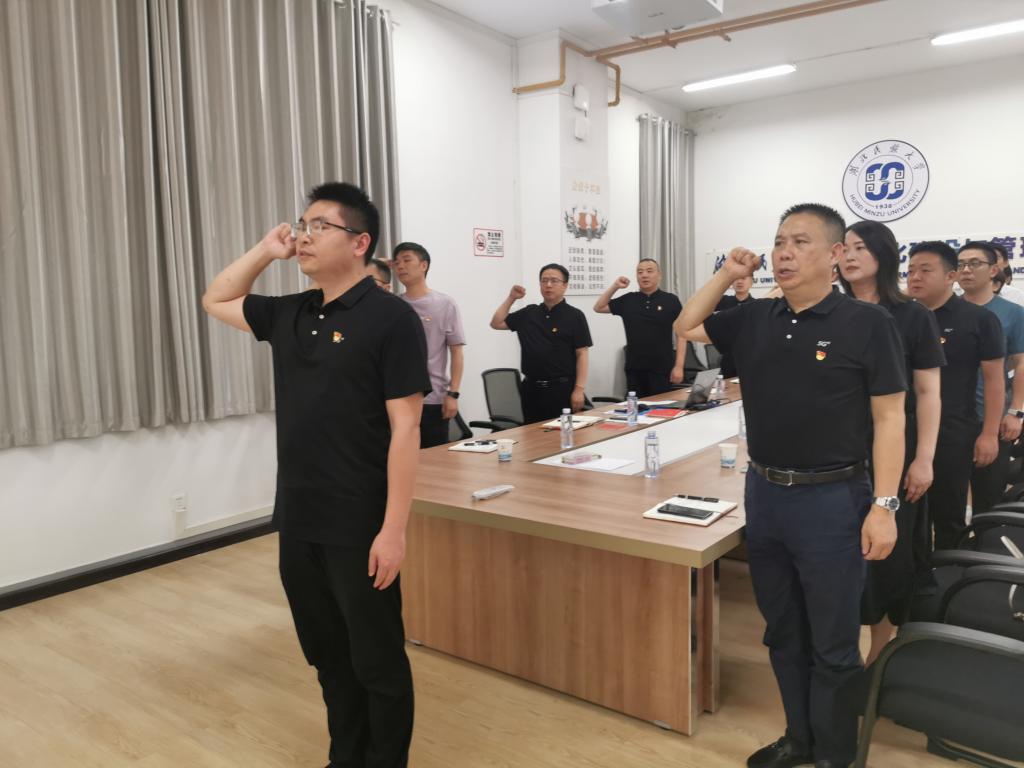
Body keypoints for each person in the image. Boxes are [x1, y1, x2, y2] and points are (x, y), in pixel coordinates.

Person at [201, 182, 428, 768]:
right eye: (301, 225)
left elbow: (406, 429)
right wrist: (264, 249)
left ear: (359, 242)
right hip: (300, 517)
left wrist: (393, 530)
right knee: (328, 655)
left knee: (376, 660)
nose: (304, 236)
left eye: (319, 226)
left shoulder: (391, 318)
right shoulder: (291, 313)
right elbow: (216, 298)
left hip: (360, 521)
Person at [675, 203, 906, 768]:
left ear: (835, 254)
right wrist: (729, 274)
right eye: (779, 241)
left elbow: (890, 419)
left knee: (833, 640)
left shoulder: (868, 323)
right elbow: (687, 324)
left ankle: (834, 754)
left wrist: (884, 506)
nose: (784, 252)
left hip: (834, 499)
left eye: (800, 242)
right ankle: (798, 738)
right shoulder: (755, 317)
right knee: (783, 632)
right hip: (766, 494)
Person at [837, 221, 944, 665]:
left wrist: (924, 459)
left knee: (887, 556)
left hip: (895, 446)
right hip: (838, 448)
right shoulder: (829, 311)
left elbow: (928, 392)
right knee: (841, 550)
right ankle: (840, 646)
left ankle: (879, 652)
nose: (849, 256)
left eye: (861, 248)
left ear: (883, 255)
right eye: (844, 248)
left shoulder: (912, 315)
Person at [906, 241, 1004, 550]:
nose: (915, 277)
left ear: (951, 276)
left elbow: (994, 381)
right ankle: (916, 573)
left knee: (948, 512)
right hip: (903, 429)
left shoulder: (978, 319)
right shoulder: (899, 317)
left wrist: (989, 434)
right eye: (910, 270)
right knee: (907, 514)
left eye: (925, 270)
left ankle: (950, 572)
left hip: (953, 431)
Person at [956, 241, 1024, 515]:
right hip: (949, 419)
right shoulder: (942, 311)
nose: (966, 270)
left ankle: (985, 540)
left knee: (988, 497)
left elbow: (1021, 363)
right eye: (960, 264)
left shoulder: (1012, 313)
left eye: (974, 264)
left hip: (993, 418)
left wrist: (1016, 411)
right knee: (947, 497)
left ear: (994, 269)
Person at [490, 264, 592, 423]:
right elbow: (496, 323)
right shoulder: (529, 313)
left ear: (565, 285)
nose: (548, 285)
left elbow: (582, 353)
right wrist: (511, 298)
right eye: (544, 281)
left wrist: (579, 390)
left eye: (554, 281)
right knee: (532, 435)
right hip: (531, 389)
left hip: (562, 389)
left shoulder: (575, 316)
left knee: (563, 434)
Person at [393, 242, 466, 448]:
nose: (400, 266)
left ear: (423, 265)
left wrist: (453, 393)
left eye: (407, 260)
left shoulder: (444, 303)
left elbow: (456, 351)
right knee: (401, 456)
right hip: (398, 399)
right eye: (396, 263)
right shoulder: (393, 305)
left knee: (434, 458)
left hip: (433, 398)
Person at [592, 258, 684, 397]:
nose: (644, 275)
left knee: (661, 407)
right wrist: (615, 286)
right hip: (634, 369)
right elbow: (598, 307)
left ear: (659, 275)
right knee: (635, 408)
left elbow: (681, 334)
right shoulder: (628, 300)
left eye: (649, 271)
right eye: (640, 272)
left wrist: (679, 366)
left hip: (662, 369)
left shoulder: (671, 300)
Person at [713, 274, 756, 377]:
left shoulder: (756, 305)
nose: (739, 281)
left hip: (750, 358)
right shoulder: (722, 302)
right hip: (728, 358)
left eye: (743, 278)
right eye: (736, 278)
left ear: (751, 282)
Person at [990, 241, 1024, 307]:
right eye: (987, 258)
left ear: (1005, 263)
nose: (992, 262)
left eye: (996, 257)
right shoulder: (972, 293)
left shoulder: (1018, 296)